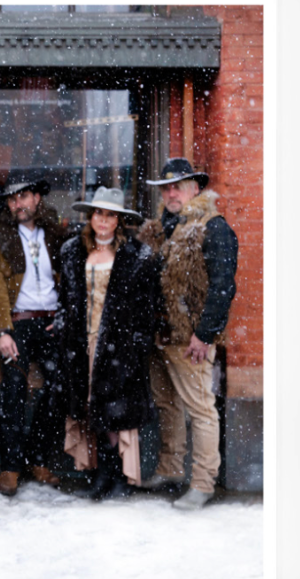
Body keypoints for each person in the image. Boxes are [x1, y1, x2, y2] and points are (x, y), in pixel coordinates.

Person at [137, 159, 238, 510]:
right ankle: (170, 468)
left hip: (191, 340)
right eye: (165, 188)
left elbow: (223, 287)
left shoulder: (213, 227)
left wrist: (204, 334)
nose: (170, 193)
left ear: (196, 187)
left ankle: (202, 482)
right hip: (161, 336)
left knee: (201, 410)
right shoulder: (164, 227)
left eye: (177, 186)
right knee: (168, 405)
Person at [54, 188, 162, 501]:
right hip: (82, 344)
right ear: (91, 217)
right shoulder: (73, 250)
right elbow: (66, 298)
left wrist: (139, 342)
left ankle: (117, 474)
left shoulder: (136, 255)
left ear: (119, 220)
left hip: (119, 346)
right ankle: (101, 472)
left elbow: (146, 305)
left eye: (110, 214)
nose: (103, 220)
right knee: (90, 408)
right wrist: (63, 325)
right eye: (99, 213)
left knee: (116, 411)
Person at [0, 176, 72, 497]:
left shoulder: (58, 236)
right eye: (12, 200)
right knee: (13, 390)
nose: (18, 204)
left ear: (36, 199)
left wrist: (64, 317)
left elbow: (70, 283)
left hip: (51, 323)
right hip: (17, 323)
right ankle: (11, 466)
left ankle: (38, 458)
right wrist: (2, 331)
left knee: (59, 387)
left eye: (23, 198)